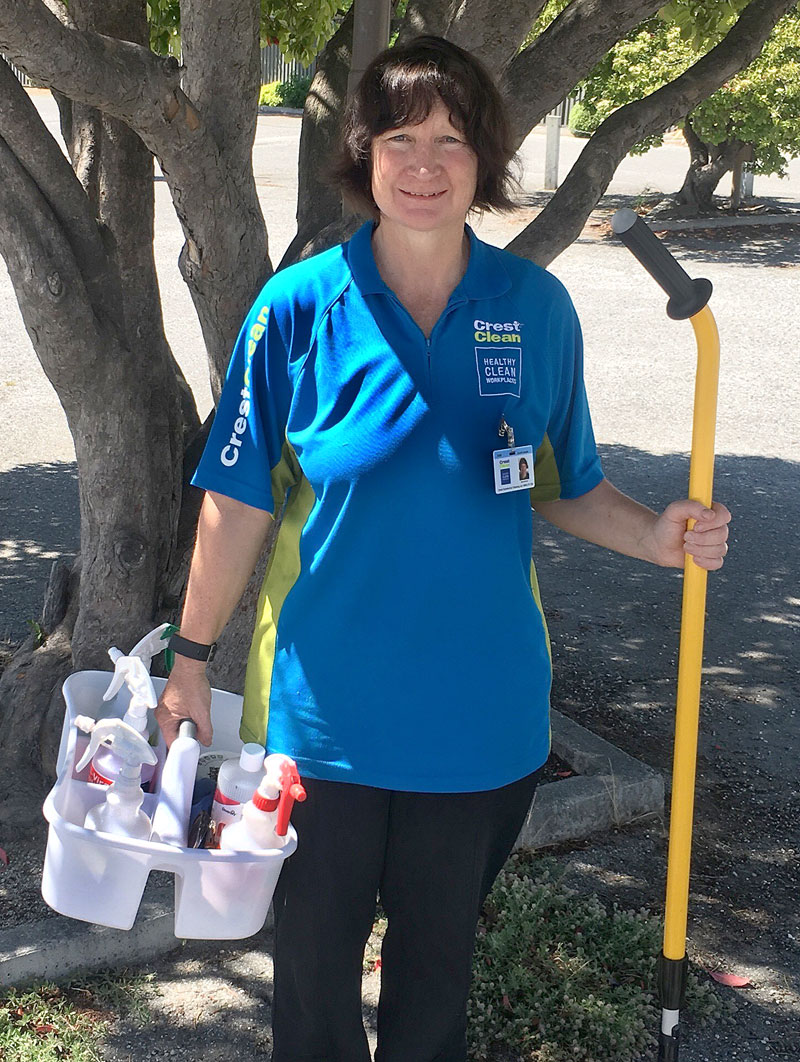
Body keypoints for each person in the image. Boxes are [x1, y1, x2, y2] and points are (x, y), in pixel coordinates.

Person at [156, 35, 730, 1062]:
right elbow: (235, 502)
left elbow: (566, 484)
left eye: (452, 141)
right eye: (400, 139)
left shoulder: (533, 308)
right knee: (313, 999)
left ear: (485, 158)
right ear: (363, 152)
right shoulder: (298, 309)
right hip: (318, 730)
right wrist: (189, 663)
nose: (424, 165)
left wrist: (654, 535)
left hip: (478, 723)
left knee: (433, 997)